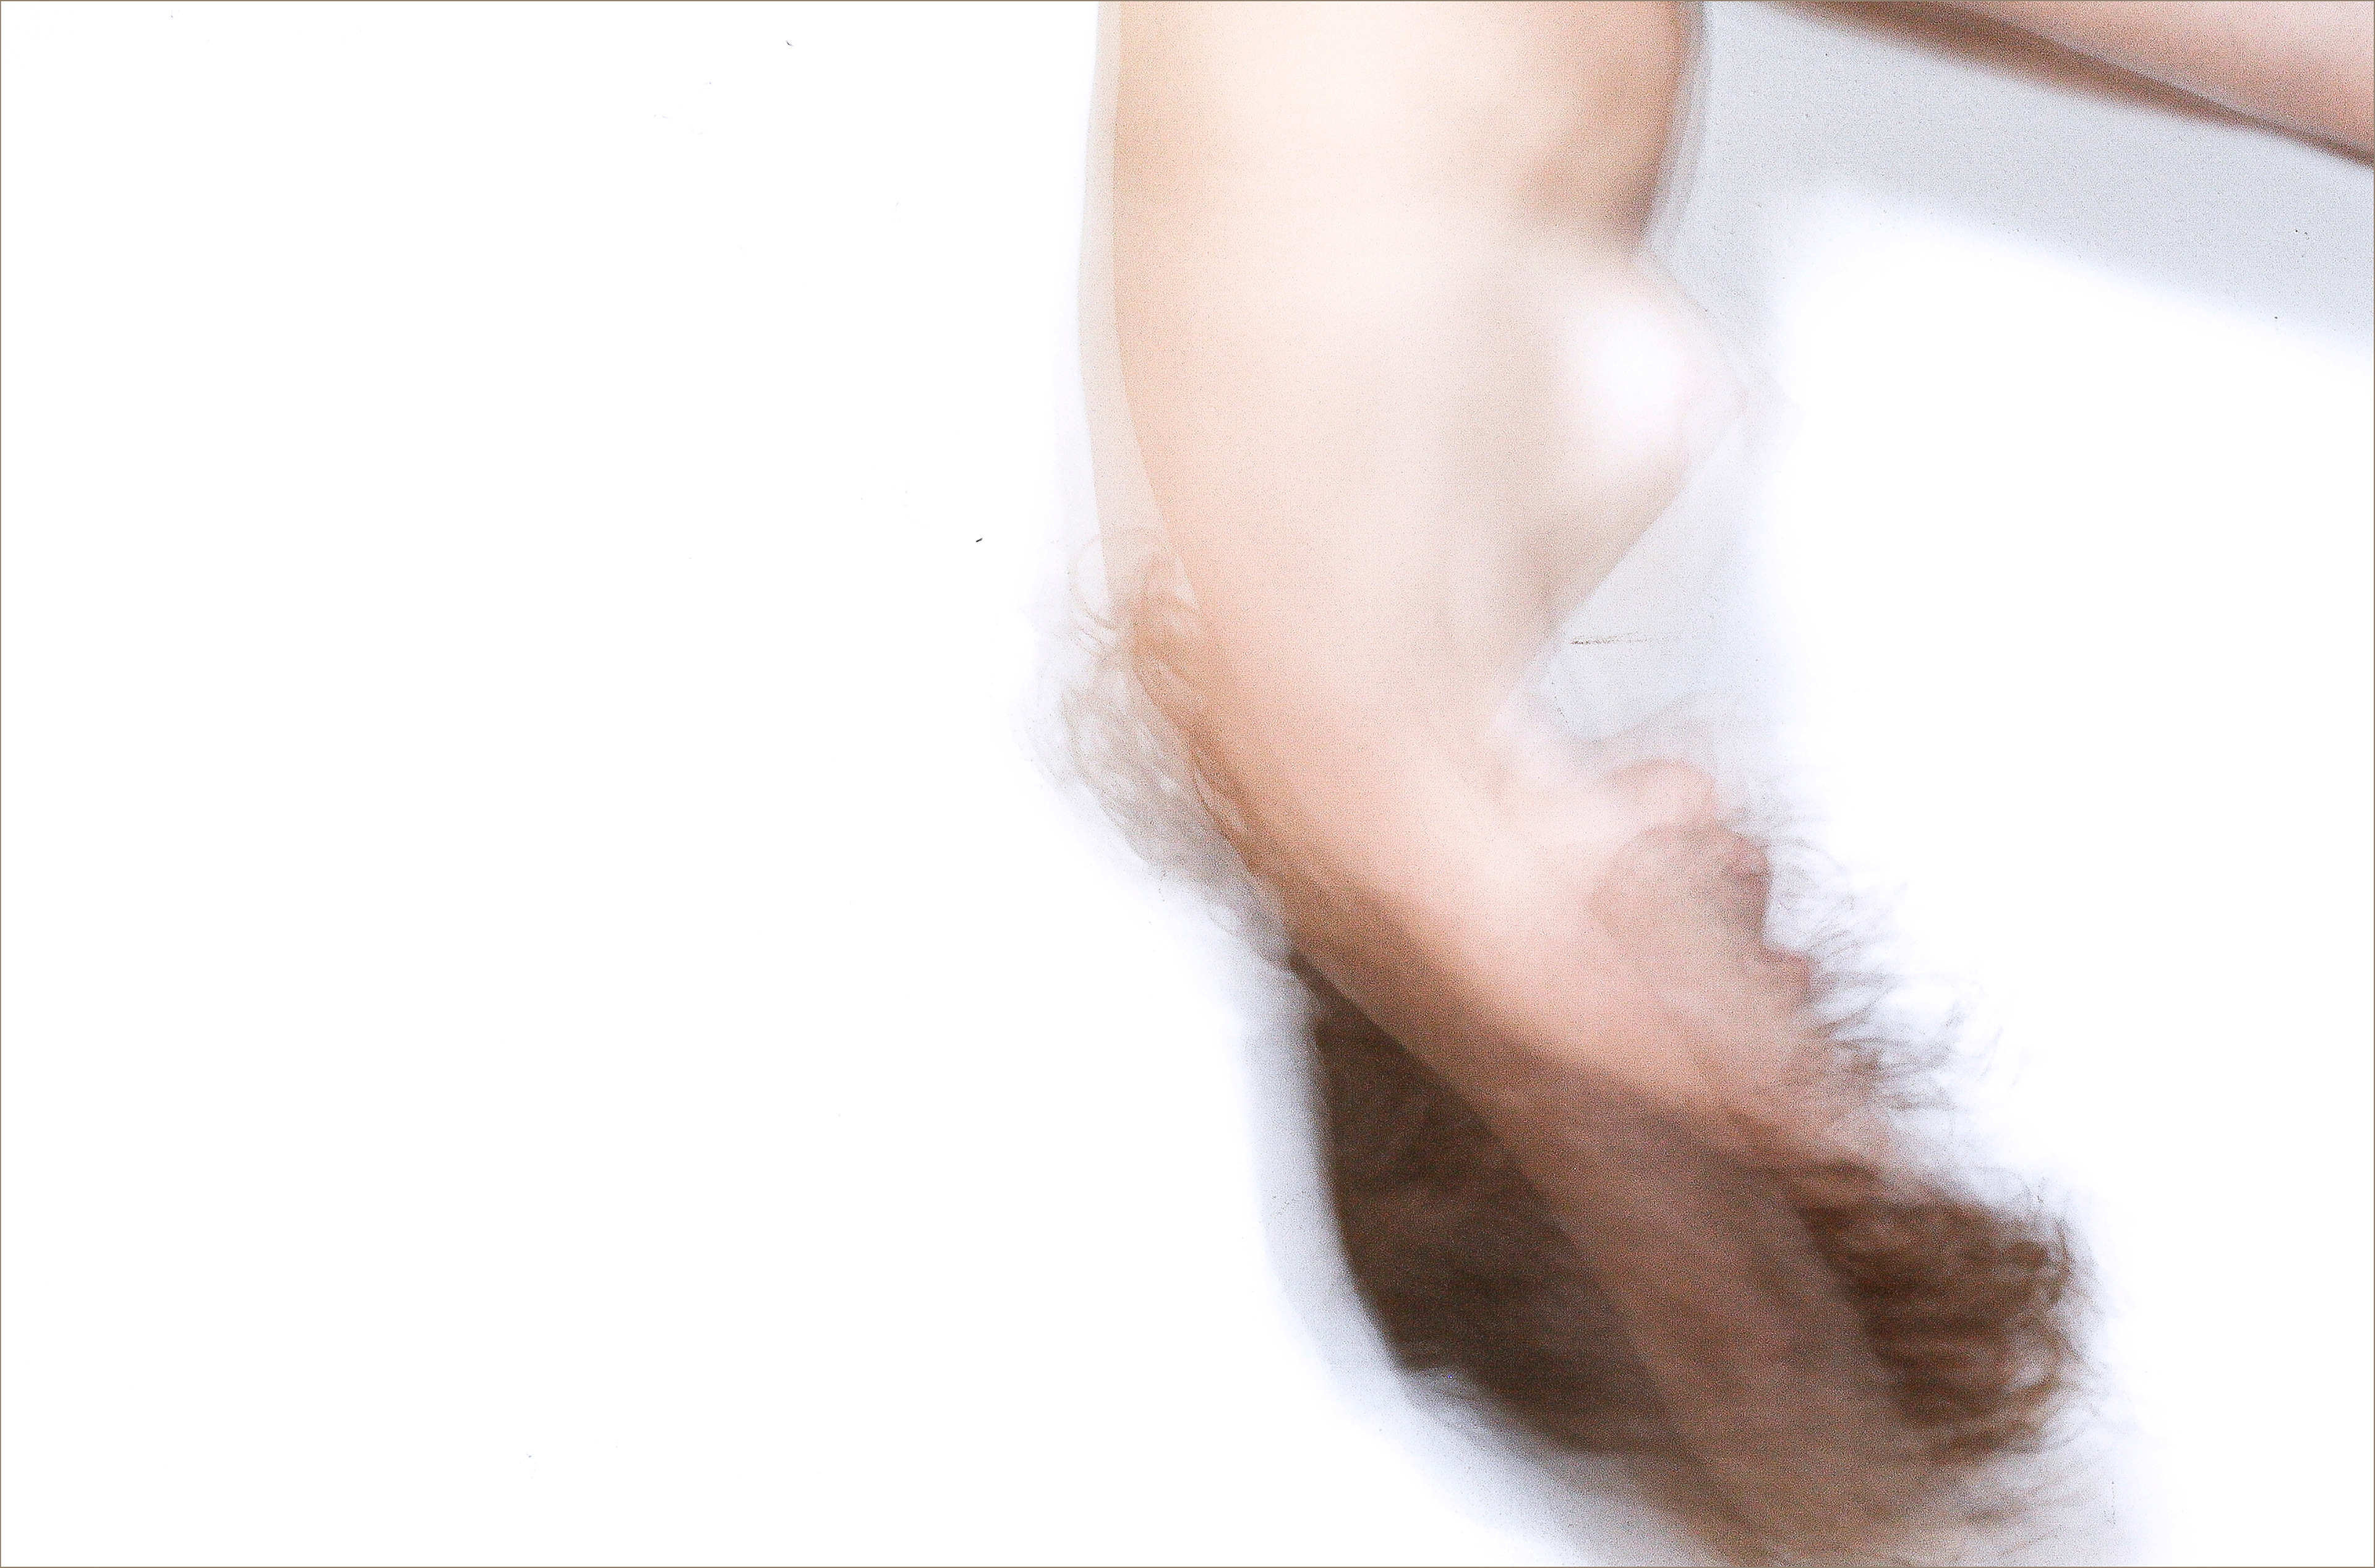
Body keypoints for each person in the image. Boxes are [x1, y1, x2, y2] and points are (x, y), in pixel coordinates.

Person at [1073, 3, 2373, 1561]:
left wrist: (1811, 1475)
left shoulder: (1377, 790)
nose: (1798, 957)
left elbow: (1720, 1296)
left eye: (1793, 1041)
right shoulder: (1387, 712)